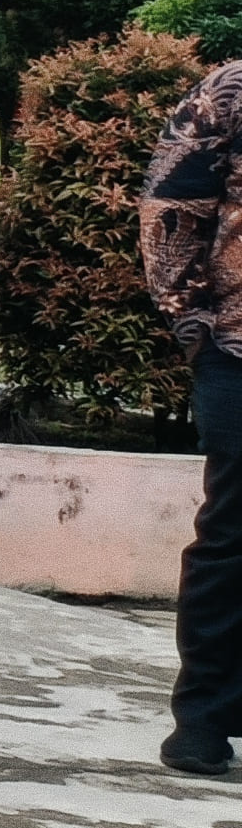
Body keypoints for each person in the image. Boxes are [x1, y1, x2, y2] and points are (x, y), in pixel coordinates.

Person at [141, 51, 242, 779]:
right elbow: (172, 204)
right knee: (234, 536)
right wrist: (194, 324)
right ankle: (203, 719)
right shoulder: (231, 90)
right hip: (240, 349)